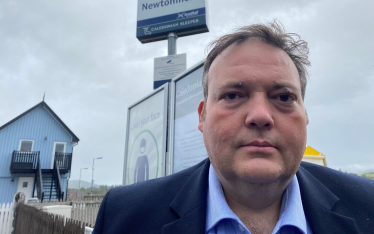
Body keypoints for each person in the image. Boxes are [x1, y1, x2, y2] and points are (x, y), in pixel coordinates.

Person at [93, 21, 374, 234]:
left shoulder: (367, 206)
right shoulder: (124, 216)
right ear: (202, 116)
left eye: (284, 97)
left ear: (305, 113)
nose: (261, 116)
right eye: (232, 95)